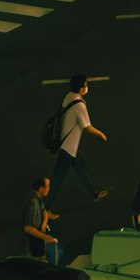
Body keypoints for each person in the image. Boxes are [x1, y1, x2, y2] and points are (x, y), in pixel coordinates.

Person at [51, 73, 109, 203]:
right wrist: (101, 134)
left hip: (69, 145)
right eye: (85, 85)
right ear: (81, 88)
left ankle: (94, 193)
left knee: (81, 167)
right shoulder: (80, 106)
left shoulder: (69, 96)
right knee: (56, 181)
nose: (87, 87)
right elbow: (87, 127)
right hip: (68, 148)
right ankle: (45, 207)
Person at [22, 173, 61, 270]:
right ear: (41, 188)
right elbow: (28, 228)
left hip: (38, 238)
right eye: (47, 186)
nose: (49, 188)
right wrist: (46, 237)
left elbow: (45, 212)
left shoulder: (38, 198)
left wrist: (43, 224)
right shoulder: (34, 203)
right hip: (33, 241)